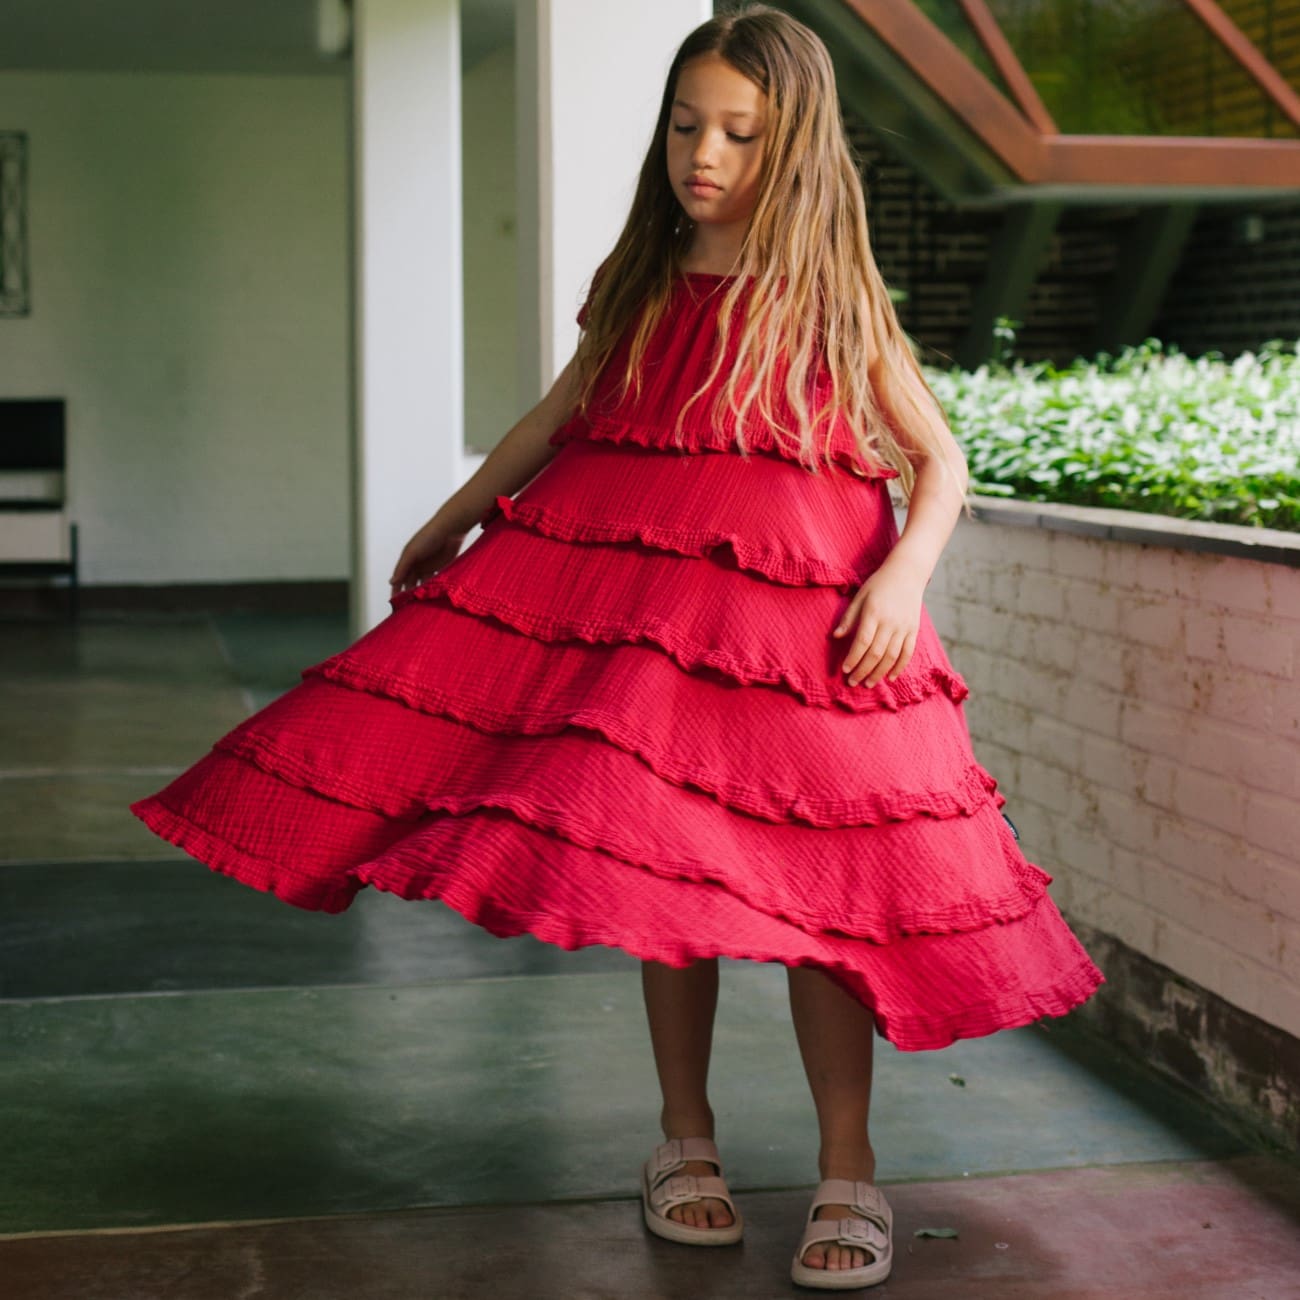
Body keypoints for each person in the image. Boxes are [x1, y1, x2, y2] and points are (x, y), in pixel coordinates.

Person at [131, 4, 1104, 1289]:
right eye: (685, 124)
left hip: (806, 640)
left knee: (827, 911)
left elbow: (937, 457)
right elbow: (561, 412)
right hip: (654, 631)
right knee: (664, 881)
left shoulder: (825, 298)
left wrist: (899, 578)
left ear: (793, 145)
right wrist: (455, 513)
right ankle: (682, 1142)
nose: (702, 152)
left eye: (739, 133)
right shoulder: (646, 283)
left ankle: (847, 1167)